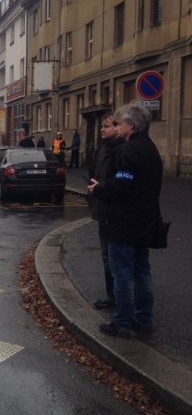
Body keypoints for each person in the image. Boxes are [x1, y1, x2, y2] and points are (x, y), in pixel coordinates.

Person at [88, 102, 163, 338]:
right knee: (142, 271)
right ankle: (144, 321)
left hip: (124, 222)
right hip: (146, 219)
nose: (117, 128)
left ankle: (122, 323)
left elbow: (123, 184)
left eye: (119, 124)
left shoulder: (127, 151)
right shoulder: (151, 149)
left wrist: (99, 188)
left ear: (131, 126)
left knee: (122, 273)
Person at [88, 113, 124, 310]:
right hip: (103, 209)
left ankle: (120, 302)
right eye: (102, 126)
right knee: (106, 256)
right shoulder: (103, 149)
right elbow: (94, 173)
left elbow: (120, 182)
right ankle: (112, 297)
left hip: (113, 212)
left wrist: (101, 188)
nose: (102, 129)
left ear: (118, 127)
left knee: (115, 259)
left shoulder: (122, 150)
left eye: (107, 126)